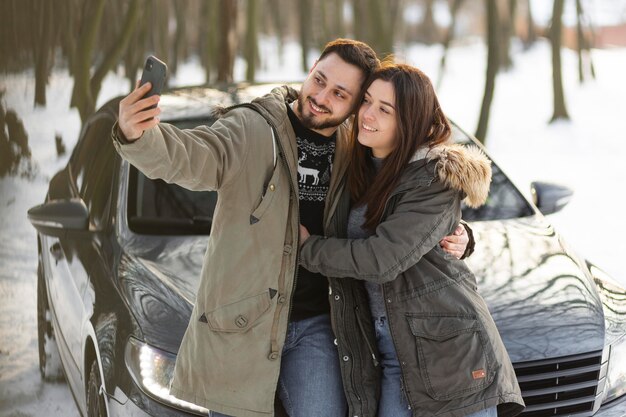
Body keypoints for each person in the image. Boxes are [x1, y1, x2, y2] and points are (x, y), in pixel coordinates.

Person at [112, 39, 472, 417]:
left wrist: (457, 231)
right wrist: (138, 135)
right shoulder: (253, 128)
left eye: (340, 94)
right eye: (319, 80)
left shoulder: (358, 146)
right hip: (243, 325)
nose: (321, 96)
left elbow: (401, 202)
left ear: (354, 104)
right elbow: (192, 156)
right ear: (311, 67)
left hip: (318, 325)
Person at [298, 63, 525, 417]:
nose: (367, 115)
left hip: (448, 351)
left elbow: (383, 259)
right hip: (391, 350)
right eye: (367, 101)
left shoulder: (433, 177)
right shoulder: (357, 165)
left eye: (384, 109)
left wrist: (306, 248)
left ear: (410, 122)